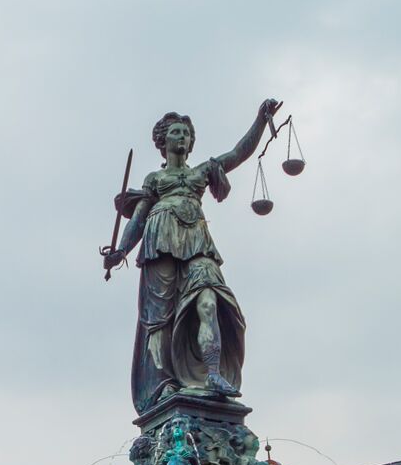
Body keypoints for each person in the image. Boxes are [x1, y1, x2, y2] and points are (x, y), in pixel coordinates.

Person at [104, 99, 282, 412]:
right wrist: (120, 250)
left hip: (197, 241)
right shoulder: (155, 180)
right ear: (163, 142)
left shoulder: (202, 172)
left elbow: (238, 153)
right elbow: (138, 219)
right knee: (160, 318)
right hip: (160, 239)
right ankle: (162, 384)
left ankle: (213, 373)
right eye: (176, 132)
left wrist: (260, 120)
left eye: (186, 133)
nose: (182, 137)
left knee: (210, 300)